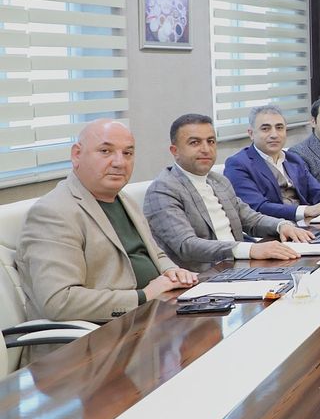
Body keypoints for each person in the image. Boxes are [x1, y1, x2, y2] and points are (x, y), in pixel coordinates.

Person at [16, 119, 198, 323]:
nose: (120, 162)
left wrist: (172, 272)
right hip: (103, 332)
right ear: (77, 154)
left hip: (155, 314)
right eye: (105, 151)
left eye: (127, 153)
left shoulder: (124, 199)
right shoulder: (54, 212)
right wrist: (143, 296)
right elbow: (59, 302)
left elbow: (155, 254)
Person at [144, 113, 315, 268]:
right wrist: (249, 250)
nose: (206, 149)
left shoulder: (218, 181)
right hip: (203, 277)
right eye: (195, 142)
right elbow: (187, 245)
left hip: (239, 266)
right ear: (175, 151)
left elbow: (250, 219)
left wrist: (281, 226)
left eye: (211, 141)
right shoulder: (163, 190)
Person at [224, 105, 320, 222]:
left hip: (307, 224)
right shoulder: (238, 164)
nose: (274, 135)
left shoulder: (293, 159)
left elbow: (316, 190)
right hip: (273, 230)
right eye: (265, 129)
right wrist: (307, 210)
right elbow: (257, 207)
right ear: (251, 134)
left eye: (279, 128)